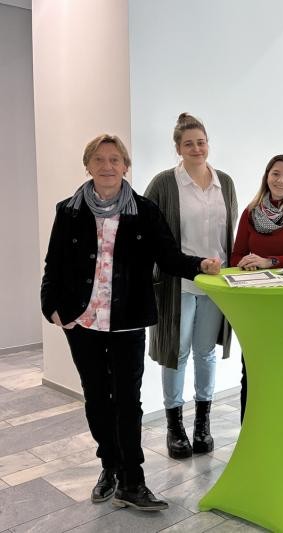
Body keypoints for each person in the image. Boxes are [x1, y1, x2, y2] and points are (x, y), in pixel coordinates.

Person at [40, 134, 221, 511]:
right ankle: (110, 465)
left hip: (127, 321)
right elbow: (53, 267)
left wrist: (199, 264)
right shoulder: (68, 211)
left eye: (115, 160)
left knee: (127, 401)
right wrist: (52, 307)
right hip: (83, 321)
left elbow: (169, 257)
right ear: (87, 165)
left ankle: (132, 480)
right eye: (100, 160)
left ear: (126, 166)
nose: (108, 166)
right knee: (96, 398)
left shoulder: (145, 210)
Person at [144, 113, 237, 460]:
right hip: (176, 283)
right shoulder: (164, 183)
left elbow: (229, 237)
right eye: (189, 144)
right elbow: (150, 235)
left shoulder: (224, 182)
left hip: (215, 285)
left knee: (206, 352)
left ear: (208, 144)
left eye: (201, 142)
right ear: (178, 149)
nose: (197, 148)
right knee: (176, 352)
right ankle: (175, 427)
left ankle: (202, 424)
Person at [230, 154, 283, 421]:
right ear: (267, 177)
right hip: (255, 304)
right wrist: (246, 263)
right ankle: (251, 431)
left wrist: (269, 262)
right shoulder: (250, 212)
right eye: (276, 174)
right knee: (253, 369)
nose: (281, 180)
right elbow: (236, 256)